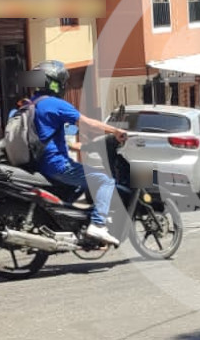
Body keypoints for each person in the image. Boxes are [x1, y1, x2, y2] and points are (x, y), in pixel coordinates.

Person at [24, 60, 128, 246]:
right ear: (55, 83)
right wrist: (115, 132)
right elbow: (87, 123)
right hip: (57, 165)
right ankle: (97, 224)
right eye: (62, 82)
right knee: (104, 180)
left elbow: (45, 138)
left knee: (82, 182)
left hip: (40, 163)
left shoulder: (31, 103)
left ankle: (70, 221)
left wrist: (78, 147)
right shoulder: (55, 104)